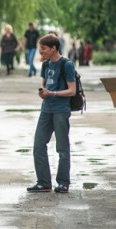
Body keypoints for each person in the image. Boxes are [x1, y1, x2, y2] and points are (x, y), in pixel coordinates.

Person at [27, 33, 76, 193]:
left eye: (44, 48)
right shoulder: (46, 64)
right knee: (38, 145)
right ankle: (43, 182)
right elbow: (44, 86)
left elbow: (72, 90)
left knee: (62, 147)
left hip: (61, 110)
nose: (41, 52)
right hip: (46, 109)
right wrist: (43, 93)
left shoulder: (66, 65)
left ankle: (63, 182)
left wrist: (53, 93)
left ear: (54, 48)